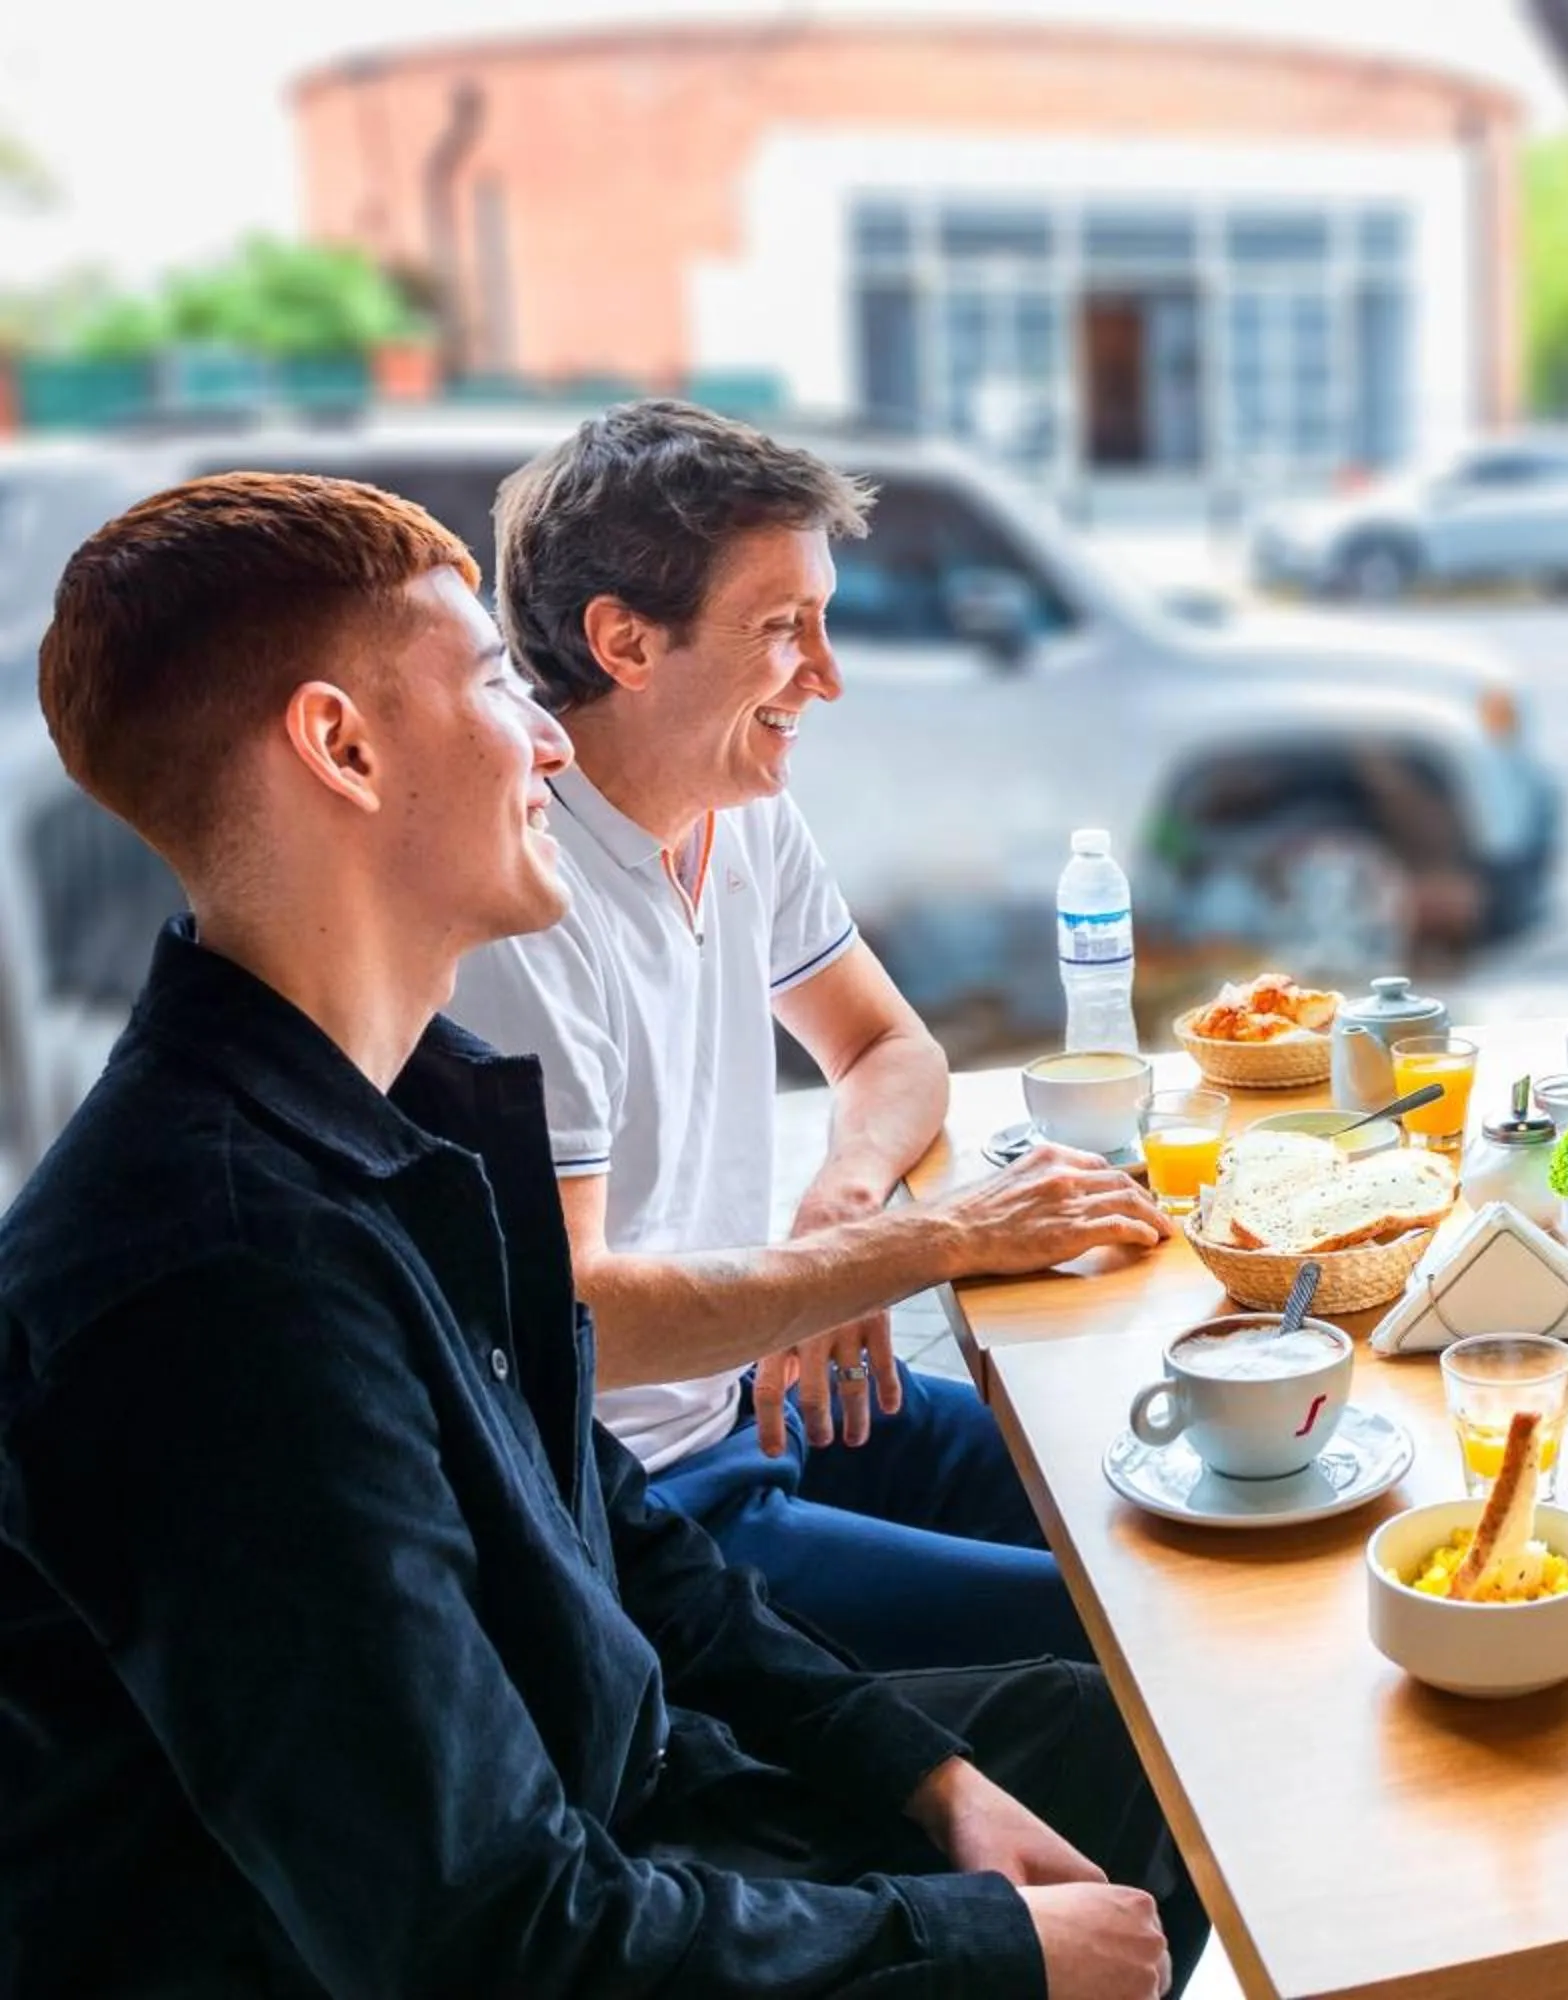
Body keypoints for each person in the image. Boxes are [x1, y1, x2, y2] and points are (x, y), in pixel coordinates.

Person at [0, 471, 1200, 1995]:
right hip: (508, 1920)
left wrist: (922, 1775)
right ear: (342, 748)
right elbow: (487, 1937)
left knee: (1122, 1741)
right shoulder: (215, 1292)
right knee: (1107, 1834)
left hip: (620, 1794)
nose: (552, 737)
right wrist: (976, 1949)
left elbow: (599, 1521)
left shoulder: (408, 1095)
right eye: (500, 682)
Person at [447, 401, 1170, 1671]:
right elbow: (580, 1312)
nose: (826, 674)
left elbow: (892, 1051)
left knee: (1168, 1492)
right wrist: (925, 1239)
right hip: (647, 1505)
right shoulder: (526, 904)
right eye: (783, 629)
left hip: (759, 1395)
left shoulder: (737, 806)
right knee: (1124, 1634)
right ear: (623, 640)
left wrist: (844, 1212)